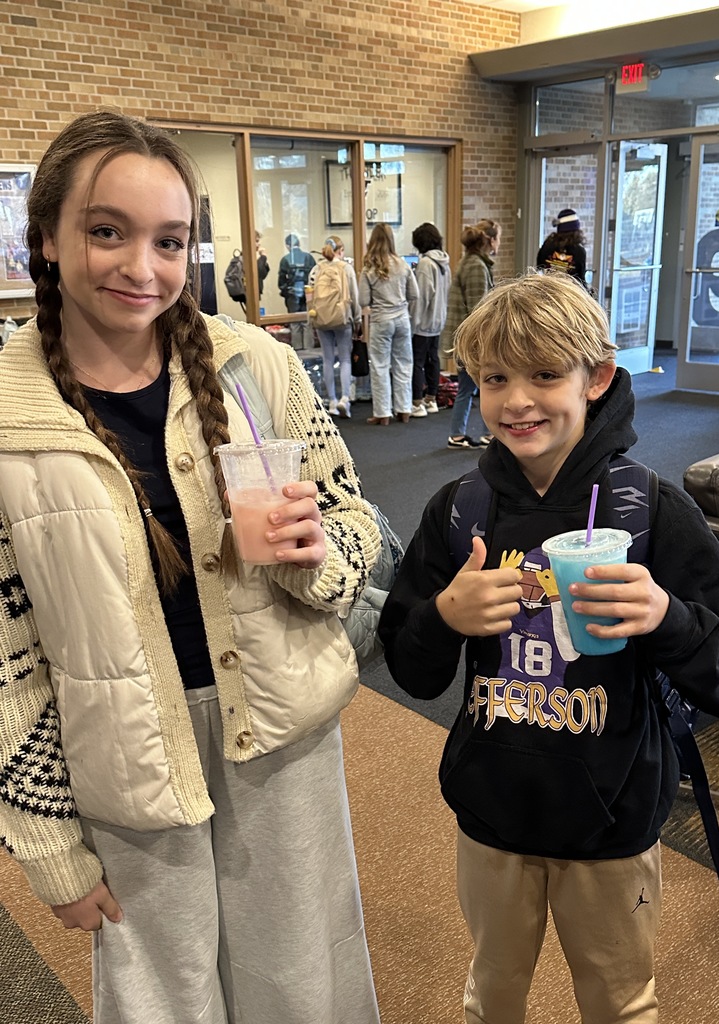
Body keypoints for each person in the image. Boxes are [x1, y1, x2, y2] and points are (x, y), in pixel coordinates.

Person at [0, 110, 382, 1024]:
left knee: (304, 982)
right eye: (106, 231)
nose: (143, 267)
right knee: (160, 1000)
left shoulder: (257, 364)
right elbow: (4, 658)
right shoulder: (11, 417)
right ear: (46, 239)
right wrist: (46, 840)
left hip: (277, 730)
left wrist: (319, 552)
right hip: (127, 754)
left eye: (169, 240)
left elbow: (358, 519)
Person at [379, 271, 719, 1024]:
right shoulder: (460, 510)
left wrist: (665, 617)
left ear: (598, 378)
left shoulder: (651, 508)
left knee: (620, 1003)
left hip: (612, 815)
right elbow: (410, 667)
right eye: (495, 380)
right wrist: (446, 618)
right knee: (491, 995)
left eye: (545, 375)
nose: (517, 400)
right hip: (492, 811)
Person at [440, 218, 500, 449]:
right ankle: (487, 435)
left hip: (466, 339)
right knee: (482, 387)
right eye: (498, 238)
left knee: (469, 389)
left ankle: (458, 434)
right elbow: (479, 310)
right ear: (490, 240)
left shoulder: (471, 262)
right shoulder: (476, 266)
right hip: (472, 341)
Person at [358, 222, 418, 425]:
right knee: (403, 364)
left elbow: (363, 301)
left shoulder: (369, 268)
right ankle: (404, 410)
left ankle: (383, 413)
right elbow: (414, 294)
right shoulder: (402, 264)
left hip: (381, 321)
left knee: (380, 366)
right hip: (402, 319)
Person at [308, 234, 361, 418]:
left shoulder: (316, 269)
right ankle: (344, 399)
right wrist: (357, 319)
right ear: (341, 251)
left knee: (327, 360)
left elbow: (309, 295)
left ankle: (331, 401)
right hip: (342, 318)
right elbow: (354, 296)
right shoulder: (346, 268)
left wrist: (312, 317)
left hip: (322, 319)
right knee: (345, 359)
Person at [408, 222, 451, 417]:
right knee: (433, 359)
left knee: (417, 361)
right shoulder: (444, 262)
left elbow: (422, 296)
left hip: (424, 322)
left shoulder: (425, 263)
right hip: (438, 319)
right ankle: (431, 399)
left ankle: (417, 402)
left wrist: (413, 323)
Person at [278, 232, 316, 351]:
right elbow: (315, 277)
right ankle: (310, 352)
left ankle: (297, 353)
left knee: (294, 324)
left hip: (292, 296)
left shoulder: (285, 260)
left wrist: (286, 292)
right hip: (308, 295)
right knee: (307, 322)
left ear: (288, 246)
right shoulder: (308, 257)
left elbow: (281, 282)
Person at [536, 208, 588, 287]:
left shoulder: (547, 246)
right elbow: (581, 281)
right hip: (568, 295)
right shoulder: (579, 251)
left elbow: (539, 268)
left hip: (547, 291)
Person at [255, 228, 270, 299]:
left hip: (257, 290)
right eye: (256, 241)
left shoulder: (256, 256)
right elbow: (259, 272)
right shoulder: (246, 257)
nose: (259, 244)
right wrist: (263, 257)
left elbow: (263, 275)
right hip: (250, 291)